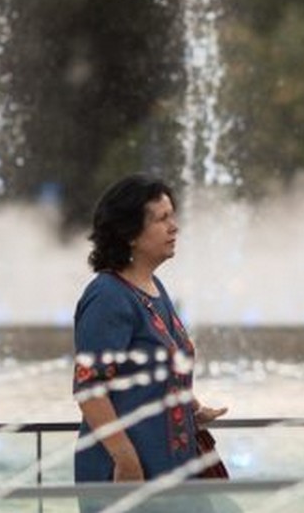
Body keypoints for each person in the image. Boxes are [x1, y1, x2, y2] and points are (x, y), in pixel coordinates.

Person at [73, 174, 227, 509]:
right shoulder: (107, 296)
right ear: (129, 233)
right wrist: (127, 462)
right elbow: (89, 389)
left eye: (172, 216)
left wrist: (192, 407)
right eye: (162, 219)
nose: (174, 227)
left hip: (174, 470)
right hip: (127, 476)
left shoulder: (153, 287)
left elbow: (156, 364)